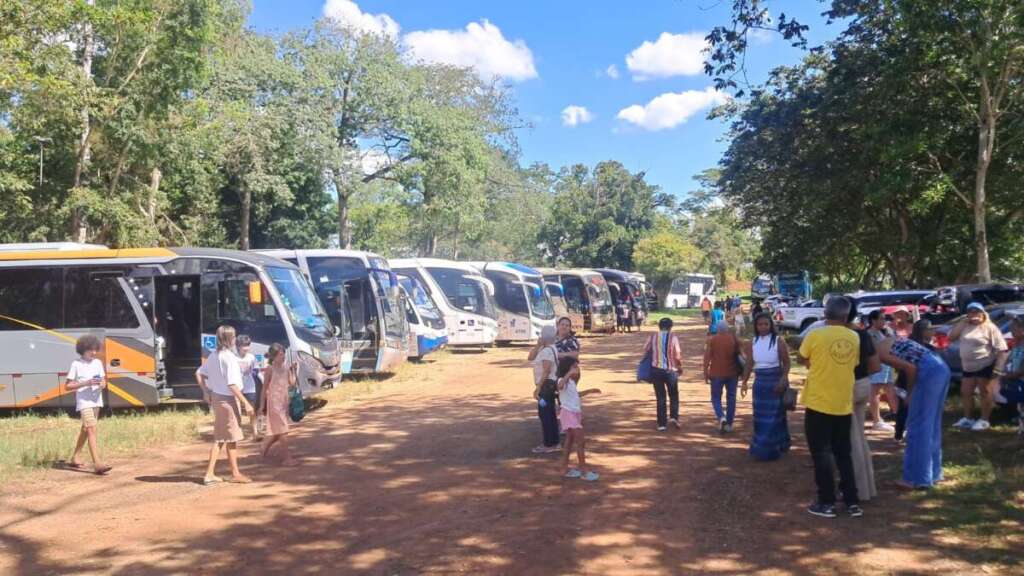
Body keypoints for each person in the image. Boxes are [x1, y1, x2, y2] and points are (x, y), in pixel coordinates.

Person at [798, 297, 861, 518]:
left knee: (821, 453)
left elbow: (802, 356)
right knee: (844, 453)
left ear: (825, 314)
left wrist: (815, 362)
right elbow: (852, 363)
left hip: (818, 402)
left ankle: (826, 502)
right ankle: (852, 501)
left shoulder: (815, 335)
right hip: (843, 403)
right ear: (846, 316)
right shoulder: (854, 337)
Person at [877, 328, 952, 490]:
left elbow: (911, 369)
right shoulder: (892, 339)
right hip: (941, 367)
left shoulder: (880, 352)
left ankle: (917, 479)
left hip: (929, 372)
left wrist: (910, 393)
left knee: (918, 426)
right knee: (931, 424)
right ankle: (934, 473)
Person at [197, 325, 254, 485]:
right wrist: (246, 403)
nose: (235, 339)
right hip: (227, 400)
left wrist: (206, 391)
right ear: (230, 339)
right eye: (234, 337)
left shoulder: (214, 355)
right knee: (230, 437)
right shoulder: (229, 358)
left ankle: (211, 473)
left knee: (223, 437)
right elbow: (232, 384)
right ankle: (233, 474)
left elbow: (199, 373)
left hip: (217, 398)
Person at [949, 302, 1009, 431]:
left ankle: (984, 420)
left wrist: (998, 368)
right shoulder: (965, 325)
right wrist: (962, 322)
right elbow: (951, 337)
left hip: (985, 364)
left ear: (983, 313)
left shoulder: (990, 328)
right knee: (966, 392)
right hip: (967, 366)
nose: (974, 314)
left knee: (985, 392)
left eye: (977, 312)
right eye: (971, 312)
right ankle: (968, 418)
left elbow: (1002, 349)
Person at [742, 313, 791, 460]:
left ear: (771, 325)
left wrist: (783, 378)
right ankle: (762, 447)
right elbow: (749, 363)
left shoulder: (778, 341)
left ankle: (773, 449)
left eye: (766, 324)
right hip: (760, 384)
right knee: (760, 417)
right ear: (756, 327)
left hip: (775, 382)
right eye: (760, 324)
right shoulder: (753, 342)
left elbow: (787, 362)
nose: (763, 327)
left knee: (775, 417)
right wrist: (744, 382)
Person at [66, 335, 112, 475]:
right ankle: (97, 463)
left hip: (96, 400)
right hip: (84, 402)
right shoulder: (76, 364)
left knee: (86, 430)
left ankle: (75, 457)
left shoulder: (97, 363)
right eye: (90, 350)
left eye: (95, 349)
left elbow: (103, 380)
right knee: (91, 429)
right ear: (83, 350)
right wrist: (86, 383)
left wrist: (102, 384)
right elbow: (68, 386)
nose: (93, 352)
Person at [848, 305, 880, 503]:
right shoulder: (863, 335)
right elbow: (875, 366)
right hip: (864, 384)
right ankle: (868, 487)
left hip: (847, 387)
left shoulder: (840, 336)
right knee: (859, 436)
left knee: (852, 440)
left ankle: (858, 489)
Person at [556, 356, 601, 481]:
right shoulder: (562, 380)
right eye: (574, 367)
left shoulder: (570, 382)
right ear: (567, 368)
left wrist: (590, 391)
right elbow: (559, 386)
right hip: (568, 413)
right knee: (580, 442)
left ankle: (564, 468)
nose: (577, 369)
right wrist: (569, 373)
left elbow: (575, 394)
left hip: (574, 413)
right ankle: (584, 471)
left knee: (570, 441)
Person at [260, 343, 297, 466]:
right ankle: (287, 458)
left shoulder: (286, 367)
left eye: (284, 354)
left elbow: (291, 383)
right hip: (274, 403)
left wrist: (293, 370)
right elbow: (264, 387)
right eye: (281, 355)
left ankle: (264, 447)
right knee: (282, 430)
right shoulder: (270, 369)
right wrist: (261, 405)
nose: (283, 357)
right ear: (274, 356)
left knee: (279, 430)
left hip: (284, 402)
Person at [643, 317, 683, 431]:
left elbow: (645, 349)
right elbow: (677, 354)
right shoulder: (673, 337)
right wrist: (679, 367)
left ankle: (661, 424)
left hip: (656, 370)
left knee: (660, 397)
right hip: (671, 371)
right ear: (670, 327)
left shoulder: (653, 336)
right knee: (673, 394)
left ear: (659, 326)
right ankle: (674, 417)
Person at [704, 318, 743, 432]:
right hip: (732, 373)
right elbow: (742, 353)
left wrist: (705, 372)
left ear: (718, 329)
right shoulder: (734, 339)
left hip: (716, 373)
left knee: (715, 397)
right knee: (731, 398)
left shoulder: (712, 340)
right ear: (727, 329)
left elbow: (707, 358)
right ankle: (729, 423)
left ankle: (721, 417)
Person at [866, 310, 897, 432]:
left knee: (891, 391)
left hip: (886, 366)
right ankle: (877, 420)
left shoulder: (882, 332)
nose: (884, 321)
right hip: (877, 366)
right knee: (875, 392)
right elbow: (876, 349)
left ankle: (899, 416)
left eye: (884, 319)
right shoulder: (870, 334)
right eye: (881, 319)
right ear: (873, 320)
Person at [531, 326, 561, 453]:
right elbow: (530, 357)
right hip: (548, 385)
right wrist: (537, 346)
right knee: (550, 413)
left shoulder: (547, 351)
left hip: (546, 386)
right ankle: (554, 442)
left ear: (545, 336)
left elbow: (546, 370)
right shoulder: (547, 348)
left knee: (545, 415)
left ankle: (549, 444)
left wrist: (538, 388)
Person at [998, 317, 1024, 437]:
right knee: (1020, 408)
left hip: (1019, 380)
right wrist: (1003, 373)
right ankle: (1021, 431)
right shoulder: (1017, 343)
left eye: (1013, 328)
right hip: (1016, 381)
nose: (1011, 331)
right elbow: (1011, 360)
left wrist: (1007, 376)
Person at [236, 335, 260, 439]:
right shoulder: (233, 357)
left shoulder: (251, 357)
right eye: (244, 346)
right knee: (237, 411)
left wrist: (254, 373)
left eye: (248, 345)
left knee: (252, 410)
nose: (246, 348)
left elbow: (256, 370)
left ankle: (255, 433)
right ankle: (237, 432)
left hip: (250, 386)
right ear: (238, 346)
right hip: (236, 387)